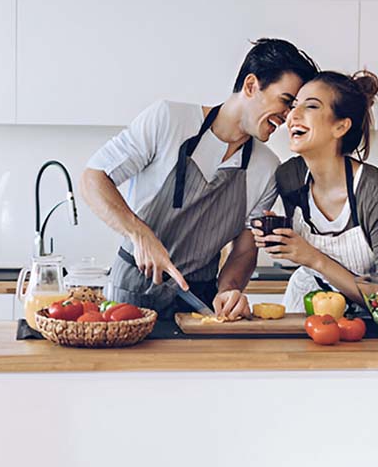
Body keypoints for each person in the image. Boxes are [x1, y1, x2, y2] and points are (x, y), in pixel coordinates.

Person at [80, 38, 319, 319]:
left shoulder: (266, 168)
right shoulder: (168, 120)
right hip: (132, 293)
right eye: (286, 101)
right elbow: (93, 178)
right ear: (251, 85)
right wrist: (139, 234)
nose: (290, 116)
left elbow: (243, 251)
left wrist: (229, 291)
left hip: (199, 301)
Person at [252, 70, 378, 312]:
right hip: (304, 307)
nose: (293, 115)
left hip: (366, 321)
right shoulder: (289, 176)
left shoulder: (374, 191)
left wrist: (312, 257)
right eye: (294, 106)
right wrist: (278, 233)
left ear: (340, 127)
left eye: (311, 106)